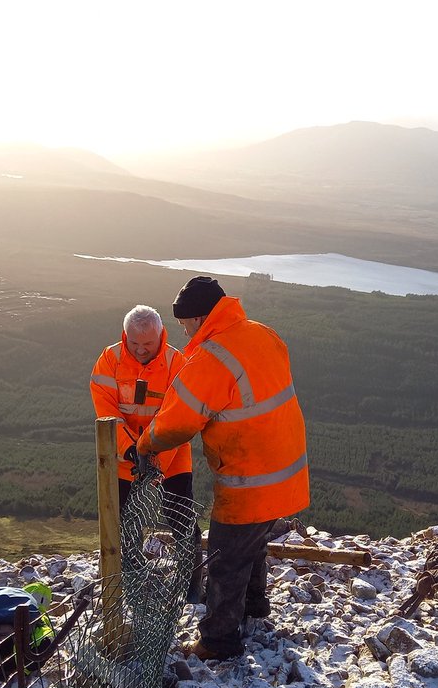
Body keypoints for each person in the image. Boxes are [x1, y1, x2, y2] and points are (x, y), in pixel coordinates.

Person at [137, 277, 308, 661]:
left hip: (251, 475)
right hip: (286, 467)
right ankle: (254, 607)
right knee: (254, 540)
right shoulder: (262, 333)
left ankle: (218, 641)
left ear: (199, 318)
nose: (183, 332)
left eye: (184, 324)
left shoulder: (212, 357)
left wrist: (145, 444)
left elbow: (178, 422)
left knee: (226, 554)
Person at [90, 305, 200, 588]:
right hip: (124, 458)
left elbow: (176, 418)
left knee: (180, 516)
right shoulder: (109, 359)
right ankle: (131, 578)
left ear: (161, 334)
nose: (141, 350)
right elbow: (107, 414)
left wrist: (154, 463)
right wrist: (130, 451)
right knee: (125, 520)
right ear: (125, 336)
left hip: (171, 454)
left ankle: (191, 582)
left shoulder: (178, 362)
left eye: (148, 344)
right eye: (135, 343)